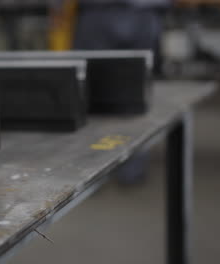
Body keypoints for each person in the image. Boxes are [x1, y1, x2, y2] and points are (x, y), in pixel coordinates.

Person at [73, 0, 171, 184]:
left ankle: (129, 167)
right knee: (90, 90)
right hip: (101, 11)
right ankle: (93, 168)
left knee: (136, 94)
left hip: (140, 12)